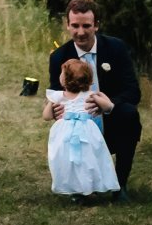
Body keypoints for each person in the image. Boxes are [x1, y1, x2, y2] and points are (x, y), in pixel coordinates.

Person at [46, 0, 142, 198]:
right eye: (75, 26)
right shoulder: (58, 57)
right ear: (67, 25)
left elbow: (133, 91)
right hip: (76, 128)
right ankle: (77, 188)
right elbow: (56, 94)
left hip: (111, 121)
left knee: (130, 114)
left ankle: (120, 184)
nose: (80, 32)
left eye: (86, 26)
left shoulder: (116, 48)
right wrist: (55, 109)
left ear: (96, 25)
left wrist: (109, 104)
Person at [44, 58, 121, 199]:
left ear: (65, 79)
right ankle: (77, 188)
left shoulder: (88, 95)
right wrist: (51, 103)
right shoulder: (59, 96)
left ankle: (87, 188)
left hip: (83, 133)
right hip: (72, 133)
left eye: (62, 74)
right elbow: (47, 116)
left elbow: (109, 107)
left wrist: (103, 99)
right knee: (70, 160)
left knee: (86, 159)